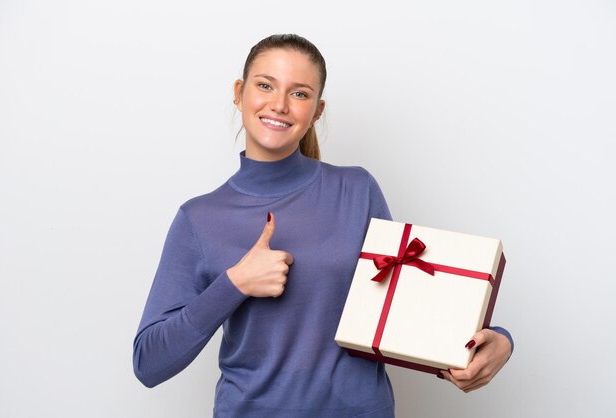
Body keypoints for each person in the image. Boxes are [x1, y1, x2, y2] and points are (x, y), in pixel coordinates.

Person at [133, 34, 513, 417]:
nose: (279, 105)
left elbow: (409, 310)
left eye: (299, 94)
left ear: (317, 110)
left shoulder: (356, 190)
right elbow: (149, 364)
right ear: (239, 93)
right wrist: (234, 284)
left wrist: (498, 343)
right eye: (265, 85)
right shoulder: (199, 218)